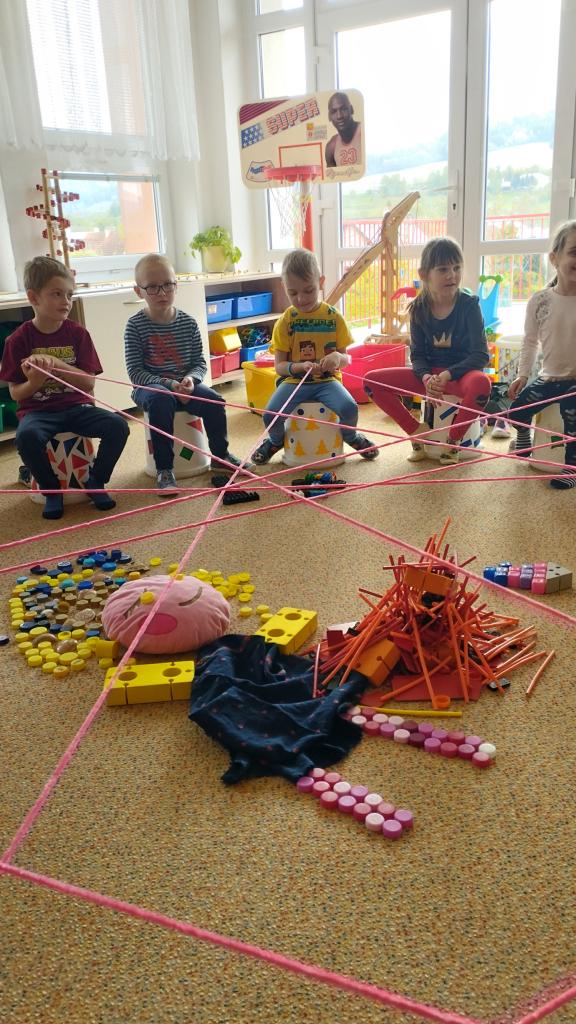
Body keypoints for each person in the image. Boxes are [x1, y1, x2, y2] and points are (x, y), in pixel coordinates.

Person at [0, 256, 129, 520]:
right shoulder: (17, 340)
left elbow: (89, 383)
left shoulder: (78, 334)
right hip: (38, 412)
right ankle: (52, 490)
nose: (66, 301)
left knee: (118, 426)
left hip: (76, 407)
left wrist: (57, 365)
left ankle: (96, 481)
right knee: (26, 437)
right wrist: (35, 382)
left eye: (69, 294)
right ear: (33, 297)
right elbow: (15, 393)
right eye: (57, 294)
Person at [125, 254, 249, 495]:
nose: (162, 292)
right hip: (152, 388)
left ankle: (220, 456)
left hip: (185, 384)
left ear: (176, 285)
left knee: (214, 401)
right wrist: (168, 384)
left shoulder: (189, 323)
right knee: (161, 400)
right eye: (152, 287)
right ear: (139, 291)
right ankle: (164, 469)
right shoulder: (135, 326)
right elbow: (135, 372)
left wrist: (192, 379)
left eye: (168, 285)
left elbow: (199, 363)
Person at [364, 238, 491, 465]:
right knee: (371, 382)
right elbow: (418, 355)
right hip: (429, 377)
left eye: (456, 268)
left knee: (482, 384)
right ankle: (416, 432)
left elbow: (481, 355)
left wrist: (447, 375)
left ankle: (452, 442)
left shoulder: (469, 305)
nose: (452, 275)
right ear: (424, 274)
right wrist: (425, 378)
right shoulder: (418, 308)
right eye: (443, 269)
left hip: (460, 376)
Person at [251, 248, 378, 465]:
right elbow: (279, 366)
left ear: (321, 282)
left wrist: (337, 357)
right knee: (270, 415)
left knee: (349, 408)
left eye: (309, 290)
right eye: (293, 293)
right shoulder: (285, 321)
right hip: (293, 382)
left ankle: (350, 436)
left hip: (327, 382)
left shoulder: (334, 318)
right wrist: (299, 368)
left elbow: (347, 359)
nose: (301, 299)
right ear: (284, 287)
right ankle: (275, 441)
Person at [507, 220, 576, 490]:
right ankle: (524, 437)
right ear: (554, 258)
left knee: (573, 417)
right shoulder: (540, 300)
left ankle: (571, 468)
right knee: (515, 411)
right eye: (574, 252)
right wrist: (523, 375)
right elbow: (530, 342)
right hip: (549, 379)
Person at [325, 92, 362, 168]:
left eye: (343, 109)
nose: (339, 116)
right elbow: (331, 175)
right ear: (329, 117)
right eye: (334, 112)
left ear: (351, 110)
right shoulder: (331, 146)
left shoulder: (363, 132)